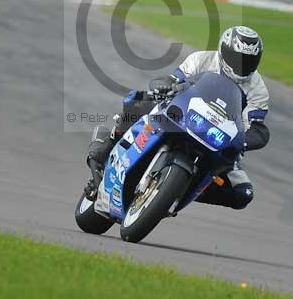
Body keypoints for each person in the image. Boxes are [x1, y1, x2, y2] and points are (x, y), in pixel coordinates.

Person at [88, 26, 269, 210]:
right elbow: (174, 80)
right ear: (224, 51)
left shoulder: (257, 88)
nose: (241, 64)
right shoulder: (202, 59)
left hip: (217, 138)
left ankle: (181, 191)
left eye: (248, 60)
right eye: (237, 57)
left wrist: (245, 141)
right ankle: (107, 144)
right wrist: (167, 85)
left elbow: (254, 125)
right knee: (139, 100)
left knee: (243, 193)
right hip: (182, 115)